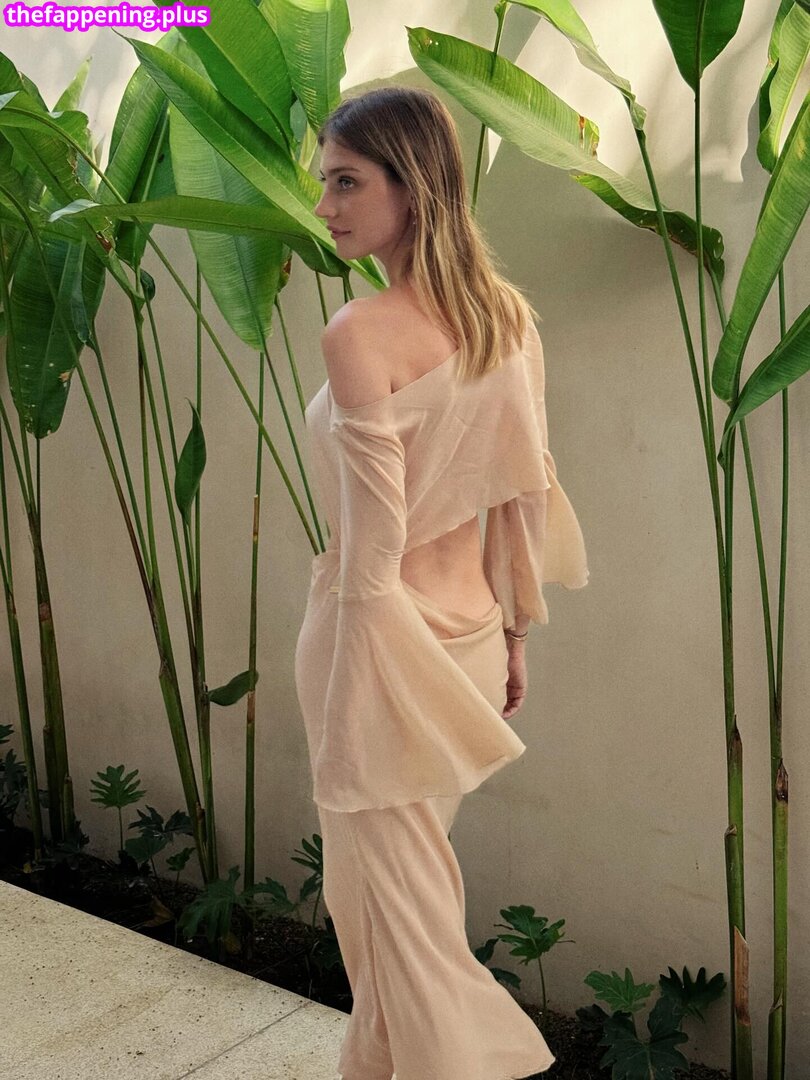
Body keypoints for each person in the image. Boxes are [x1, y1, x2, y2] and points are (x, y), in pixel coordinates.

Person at [294, 86, 588, 1080]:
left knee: (399, 920)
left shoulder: (359, 333)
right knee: (382, 902)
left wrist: (349, 711)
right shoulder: (509, 319)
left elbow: (374, 552)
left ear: (412, 186)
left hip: (377, 649)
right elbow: (523, 500)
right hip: (464, 646)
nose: (324, 205)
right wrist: (513, 636)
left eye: (346, 182)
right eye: (324, 181)